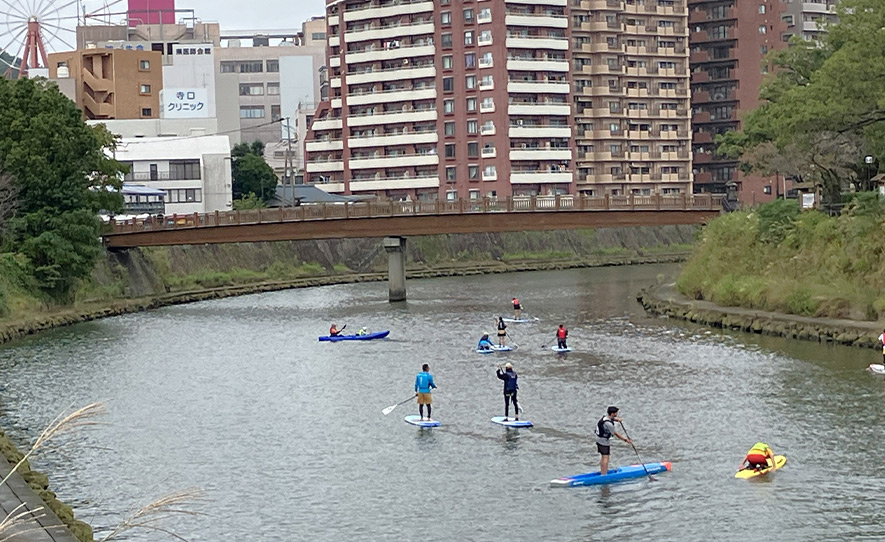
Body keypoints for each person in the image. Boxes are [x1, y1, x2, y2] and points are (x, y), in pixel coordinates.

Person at [595, 406, 631, 475]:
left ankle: (603, 472)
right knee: (606, 457)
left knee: (603, 456)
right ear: (612, 414)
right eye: (616, 413)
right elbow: (615, 434)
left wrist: (617, 420)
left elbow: (611, 419)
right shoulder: (609, 424)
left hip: (599, 440)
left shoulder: (605, 417)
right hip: (604, 442)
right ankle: (604, 475)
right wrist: (626, 440)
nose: (617, 414)